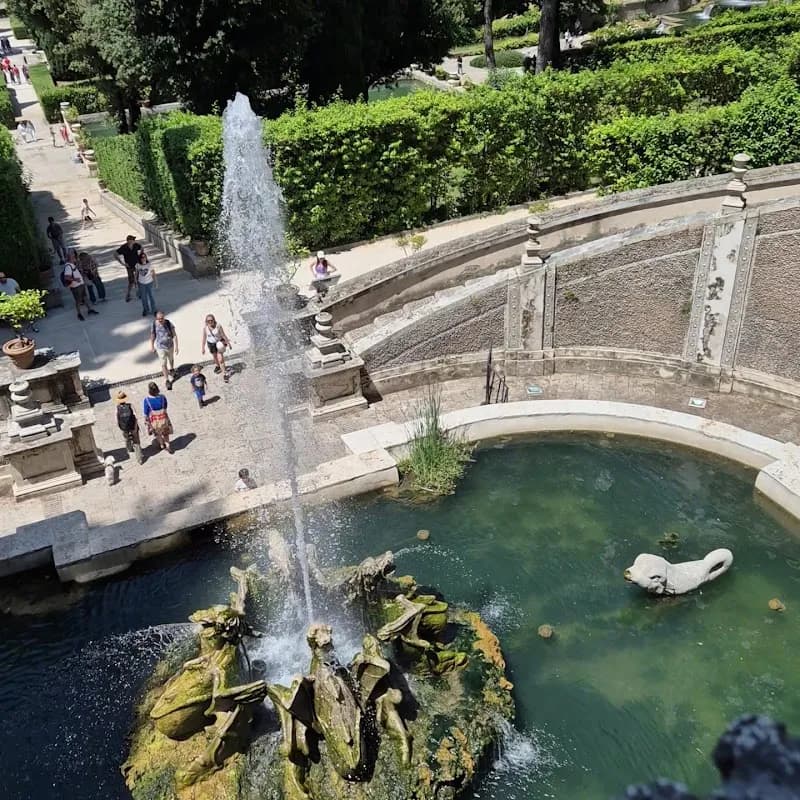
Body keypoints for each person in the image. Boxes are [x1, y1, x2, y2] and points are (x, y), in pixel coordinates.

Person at [150, 311, 179, 389]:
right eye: (158, 318)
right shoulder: (154, 325)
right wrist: (152, 346)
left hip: (170, 346)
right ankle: (167, 380)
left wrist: (176, 346)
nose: (160, 320)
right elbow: (152, 336)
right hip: (160, 347)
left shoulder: (169, 323)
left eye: (161, 318)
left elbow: (174, 335)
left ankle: (172, 369)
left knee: (171, 359)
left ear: (164, 317)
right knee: (163, 364)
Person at [143, 382, 173, 453]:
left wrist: (146, 420)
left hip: (154, 421)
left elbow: (145, 413)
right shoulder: (162, 397)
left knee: (157, 433)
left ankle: (162, 445)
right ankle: (168, 445)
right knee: (165, 433)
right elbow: (165, 407)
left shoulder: (147, 400)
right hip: (163, 418)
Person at [201, 314, 232, 382]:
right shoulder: (205, 328)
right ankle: (218, 366)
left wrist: (228, 343)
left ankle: (225, 374)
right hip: (211, 344)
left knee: (220, 359)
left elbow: (223, 335)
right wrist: (203, 348)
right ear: (206, 321)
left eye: (211, 320)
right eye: (208, 321)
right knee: (215, 357)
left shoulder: (218, 326)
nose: (210, 322)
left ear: (214, 320)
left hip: (219, 344)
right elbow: (204, 338)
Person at [115, 390, 144, 464]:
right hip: (133, 426)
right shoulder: (130, 406)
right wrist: (135, 427)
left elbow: (117, 420)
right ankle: (139, 458)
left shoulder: (117, 408)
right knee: (136, 441)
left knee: (126, 439)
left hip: (124, 428)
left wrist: (121, 428)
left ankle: (129, 449)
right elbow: (136, 417)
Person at [115, 235, 143, 302]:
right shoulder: (124, 247)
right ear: (129, 241)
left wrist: (140, 256)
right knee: (131, 281)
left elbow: (142, 247)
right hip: (129, 266)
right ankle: (128, 294)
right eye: (133, 240)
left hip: (136, 265)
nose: (134, 241)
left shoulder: (136, 245)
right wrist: (122, 263)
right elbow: (115, 254)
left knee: (139, 279)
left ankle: (139, 293)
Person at [135, 250, 157, 316]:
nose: (143, 258)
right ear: (140, 258)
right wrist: (135, 282)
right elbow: (136, 274)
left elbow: (153, 273)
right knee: (144, 298)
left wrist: (155, 282)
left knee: (151, 297)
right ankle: (146, 309)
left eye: (144, 257)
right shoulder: (138, 265)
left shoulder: (149, 264)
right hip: (141, 283)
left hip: (149, 282)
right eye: (142, 257)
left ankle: (154, 310)